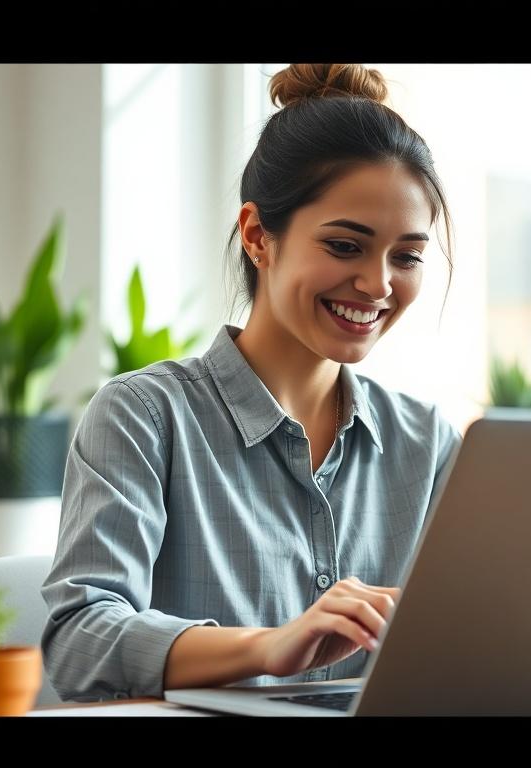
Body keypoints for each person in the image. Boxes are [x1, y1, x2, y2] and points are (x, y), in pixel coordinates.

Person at [40, 63, 462, 702]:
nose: (378, 285)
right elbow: (80, 641)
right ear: (259, 236)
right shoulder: (144, 416)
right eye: (346, 246)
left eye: (406, 256)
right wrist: (270, 645)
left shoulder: (428, 443)